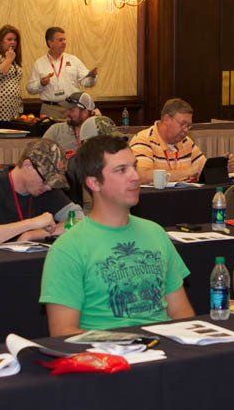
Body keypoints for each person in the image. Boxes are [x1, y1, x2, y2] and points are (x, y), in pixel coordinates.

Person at [40, 135, 195, 335]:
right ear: (94, 183)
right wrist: (127, 343)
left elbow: (182, 313)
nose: (135, 176)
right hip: (106, 350)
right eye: (121, 170)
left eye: (134, 166)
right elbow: (63, 332)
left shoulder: (155, 232)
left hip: (164, 346)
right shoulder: (67, 249)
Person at [0, 139, 83, 248]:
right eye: (45, 179)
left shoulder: (47, 190)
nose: (49, 187)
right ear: (27, 165)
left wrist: (33, 234)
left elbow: (80, 220)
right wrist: (30, 224)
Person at [129, 98, 234, 185]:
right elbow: (141, 176)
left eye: (189, 126)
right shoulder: (143, 140)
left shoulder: (186, 141)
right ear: (166, 119)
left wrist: (221, 169)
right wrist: (186, 172)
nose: (186, 130)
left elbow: (201, 170)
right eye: (183, 124)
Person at [26, 26, 98, 119]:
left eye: (64, 39)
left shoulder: (73, 60)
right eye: (60, 40)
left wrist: (92, 76)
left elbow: (87, 83)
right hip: (50, 109)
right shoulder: (39, 63)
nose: (64, 42)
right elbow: (30, 89)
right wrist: (41, 83)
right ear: (50, 42)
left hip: (72, 108)